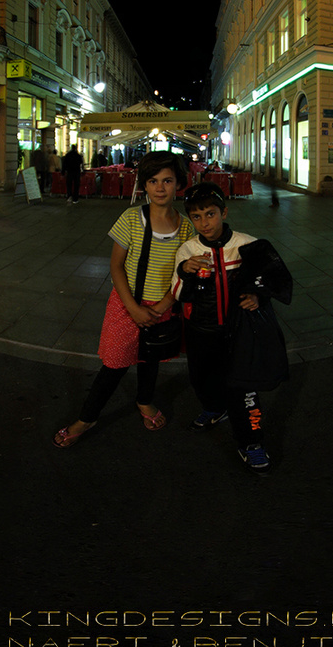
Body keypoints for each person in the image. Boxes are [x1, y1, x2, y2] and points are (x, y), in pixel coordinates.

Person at [55, 152, 190, 448]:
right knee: (114, 364)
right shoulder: (131, 218)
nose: (160, 187)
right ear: (144, 185)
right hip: (125, 304)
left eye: (167, 180)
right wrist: (133, 307)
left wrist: (164, 305)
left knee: (149, 359)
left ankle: (144, 401)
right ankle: (88, 417)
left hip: (161, 308)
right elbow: (116, 265)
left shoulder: (186, 228)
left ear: (179, 183)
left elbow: (182, 274)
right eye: (153, 181)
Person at [172, 183, 292, 474]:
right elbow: (177, 293)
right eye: (197, 217)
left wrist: (257, 296)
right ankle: (214, 408)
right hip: (201, 331)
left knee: (245, 391)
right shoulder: (187, 250)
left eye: (210, 214)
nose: (205, 223)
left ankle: (252, 441)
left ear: (224, 212)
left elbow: (275, 280)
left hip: (241, 333)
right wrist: (185, 272)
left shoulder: (247, 244)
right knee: (201, 378)